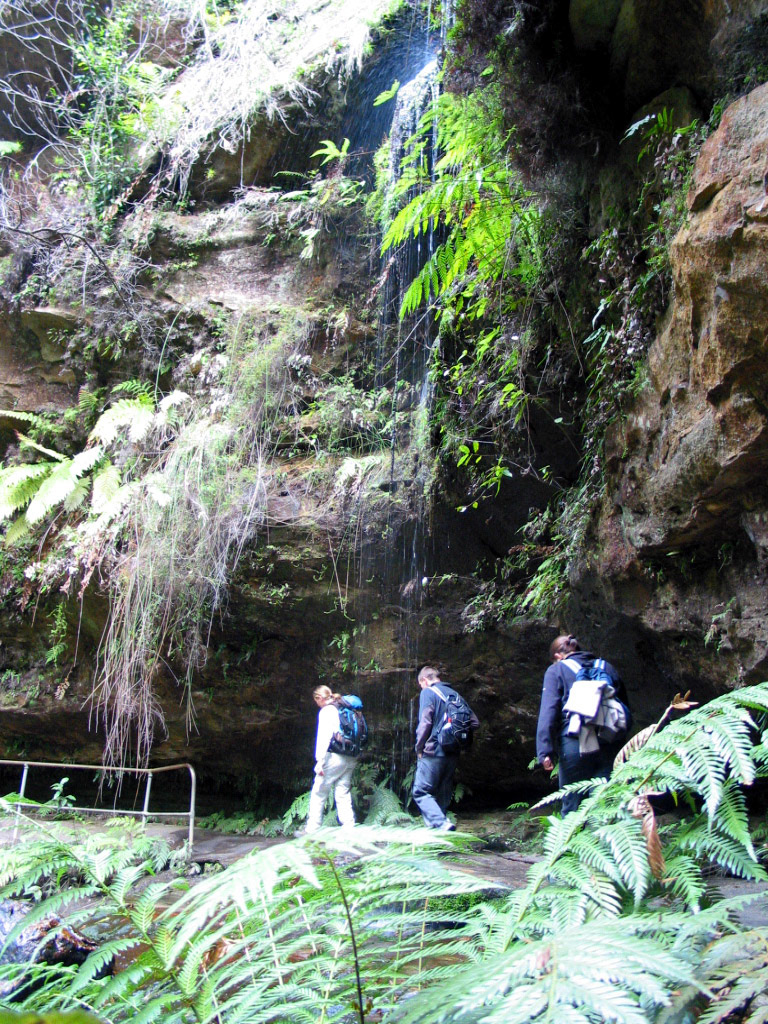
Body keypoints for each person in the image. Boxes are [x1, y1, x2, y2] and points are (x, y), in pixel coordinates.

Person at [536, 633, 628, 815]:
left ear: (557, 656)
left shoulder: (556, 670)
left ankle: (573, 834)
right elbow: (623, 705)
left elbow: (549, 710)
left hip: (575, 742)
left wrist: (544, 751)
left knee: (573, 807)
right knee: (604, 804)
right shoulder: (605, 667)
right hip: (608, 741)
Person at [412, 665, 479, 831]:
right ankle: (440, 834)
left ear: (424, 680)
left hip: (433, 751)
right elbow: (474, 722)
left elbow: (425, 722)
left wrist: (419, 748)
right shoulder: (455, 694)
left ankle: (441, 823)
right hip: (452, 753)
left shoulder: (428, 693)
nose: (421, 688)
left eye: (420, 685)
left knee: (421, 792)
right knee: (441, 794)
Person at [305, 685, 357, 833]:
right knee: (342, 793)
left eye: (316, 700)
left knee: (319, 792)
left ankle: (312, 829)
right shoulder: (343, 708)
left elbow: (324, 737)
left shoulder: (327, 711)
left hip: (335, 756)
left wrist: (320, 761)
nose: (317, 704)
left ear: (319, 698)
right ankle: (349, 828)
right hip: (351, 756)